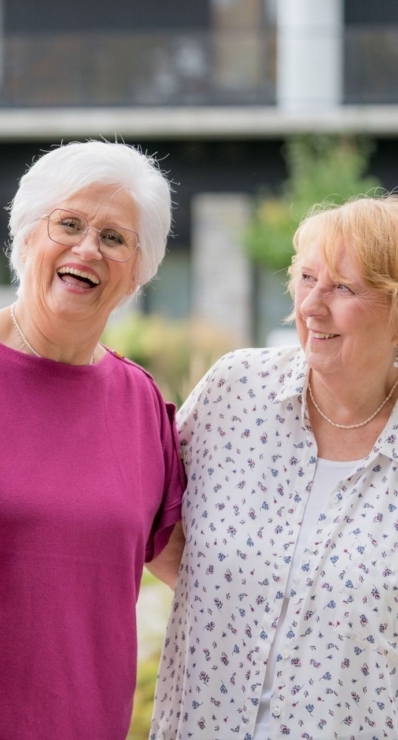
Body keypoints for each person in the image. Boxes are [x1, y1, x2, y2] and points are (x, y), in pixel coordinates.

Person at [0, 140, 186, 739]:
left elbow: (192, 566)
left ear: (137, 271)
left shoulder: (143, 403)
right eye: (68, 224)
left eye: (114, 237)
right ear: (25, 237)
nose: (87, 249)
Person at [151, 194, 398, 740]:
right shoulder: (235, 390)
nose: (311, 305)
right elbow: (154, 519)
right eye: (307, 278)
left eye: (342, 287)